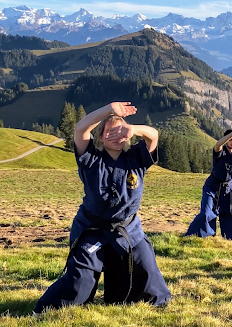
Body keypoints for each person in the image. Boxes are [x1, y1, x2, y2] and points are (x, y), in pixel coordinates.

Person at [34, 102, 171, 313]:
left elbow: (153, 135)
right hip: (92, 229)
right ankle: (47, 308)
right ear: (100, 137)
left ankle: (149, 303)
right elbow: (81, 128)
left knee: (147, 270)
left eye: (121, 131)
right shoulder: (90, 159)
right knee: (80, 282)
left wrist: (134, 129)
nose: (117, 135)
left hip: (128, 230)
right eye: (111, 131)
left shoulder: (136, 158)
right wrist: (109, 110)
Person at [185, 126, 232, 241]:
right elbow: (218, 144)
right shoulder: (220, 151)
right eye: (230, 139)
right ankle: (198, 236)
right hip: (212, 187)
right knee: (206, 213)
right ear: (226, 140)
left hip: (230, 188)